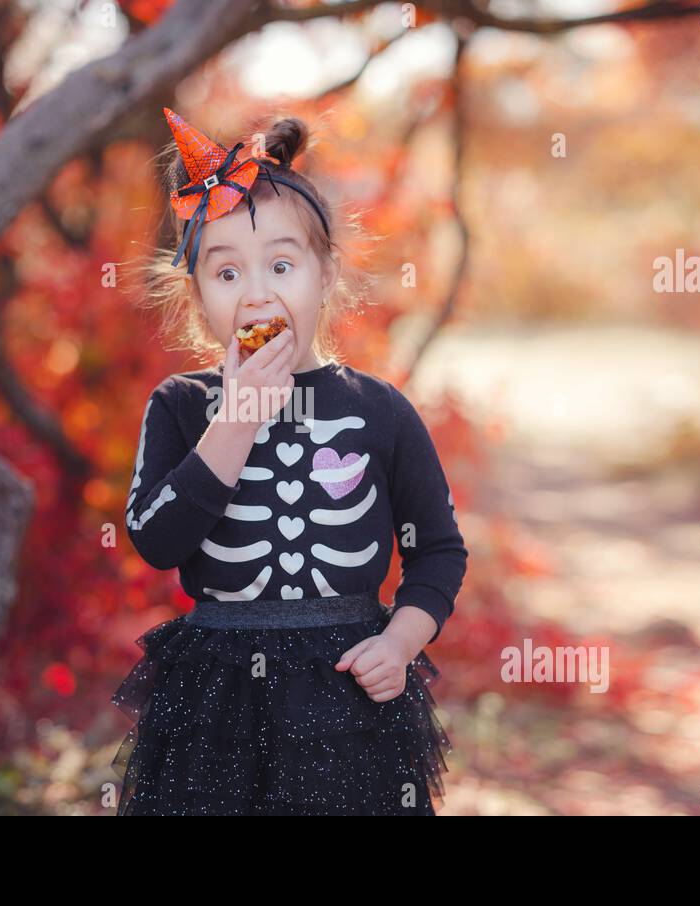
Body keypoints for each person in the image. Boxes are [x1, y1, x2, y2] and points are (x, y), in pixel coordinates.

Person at [109, 107, 468, 815]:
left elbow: (439, 551)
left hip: (350, 692)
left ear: (325, 275)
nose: (257, 292)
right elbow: (154, 540)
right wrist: (235, 420)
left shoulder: (380, 410)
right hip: (215, 698)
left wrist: (400, 641)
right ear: (196, 295)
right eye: (226, 272)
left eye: (281, 264)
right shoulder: (182, 404)